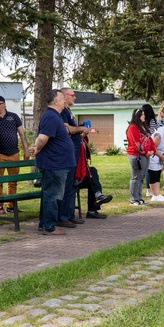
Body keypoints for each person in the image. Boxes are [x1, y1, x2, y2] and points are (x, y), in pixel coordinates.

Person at [29, 89, 76, 235]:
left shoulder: (54, 116)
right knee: (53, 195)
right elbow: (43, 137)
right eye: (62, 99)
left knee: (50, 194)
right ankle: (49, 227)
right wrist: (37, 148)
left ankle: (45, 224)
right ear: (56, 101)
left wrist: (37, 148)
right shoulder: (51, 116)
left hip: (57, 163)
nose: (65, 101)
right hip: (54, 164)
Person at [56, 88, 90, 228]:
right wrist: (80, 129)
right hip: (68, 151)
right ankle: (63, 216)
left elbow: (72, 128)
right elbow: (67, 129)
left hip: (75, 149)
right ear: (64, 97)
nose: (75, 98)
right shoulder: (62, 111)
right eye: (73, 95)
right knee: (68, 184)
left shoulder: (68, 111)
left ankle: (70, 215)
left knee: (73, 184)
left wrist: (80, 130)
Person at [0, 95, 30, 215]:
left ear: (4, 104)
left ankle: (11, 205)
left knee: (13, 181)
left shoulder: (14, 117)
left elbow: (22, 135)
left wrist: (26, 150)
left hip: (14, 153)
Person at [127, 108, 154, 205]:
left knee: (142, 176)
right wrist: (145, 152)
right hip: (136, 155)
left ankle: (139, 197)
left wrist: (152, 150)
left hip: (145, 155)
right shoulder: (133, 127)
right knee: (136, 176)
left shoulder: (142, 127)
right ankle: (133, 199)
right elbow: (135, 142)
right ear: (138, 116)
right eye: (142, 114)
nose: (144, 116)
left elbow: (149, 139)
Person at [148, 125, 164, 202]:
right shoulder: (159, 135)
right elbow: (153, 147)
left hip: (158, 159)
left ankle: (158, 194)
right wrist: (161, 156)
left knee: (157, 175)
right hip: (153, 158)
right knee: (153, 175)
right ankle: (154, 194)